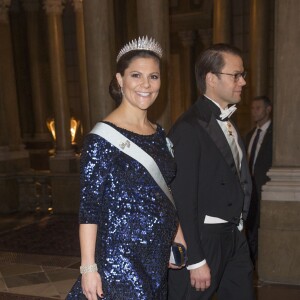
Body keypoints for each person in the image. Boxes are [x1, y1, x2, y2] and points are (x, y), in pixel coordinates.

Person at [67, 36, 185, 300]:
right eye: (136, 75)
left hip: (156, 257)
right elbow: (89, 209)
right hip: (119, 261)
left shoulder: (159, 135)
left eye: (153, 77)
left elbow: (165, 191)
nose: (146, 84)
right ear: (120, 80)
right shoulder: (101, 140)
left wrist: (178, 235)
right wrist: (88, 268)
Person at [167, 43, 254, 300]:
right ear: (211, 79)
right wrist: (195, 259)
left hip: (234, 237)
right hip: (204, 241)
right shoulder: (188, 128)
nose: (243, 82)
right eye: (236, 75)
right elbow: (181, 199)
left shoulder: (229, 121)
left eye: (243, 74)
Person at [245, 95, 272, 265]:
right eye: (252, 108)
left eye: (258, 108)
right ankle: (251, 265)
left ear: (268, 110)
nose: (253, 112)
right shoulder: (249, 135)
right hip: (250, 190)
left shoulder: (276, 136)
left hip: (266, 189)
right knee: (250, 229)